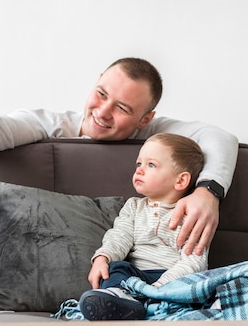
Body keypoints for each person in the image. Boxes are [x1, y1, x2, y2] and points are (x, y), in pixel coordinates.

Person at [0, 52, 239, 256]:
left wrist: (208, 192)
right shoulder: (53, 124)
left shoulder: (153, 135)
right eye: (101, 94)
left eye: (122, 108)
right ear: (97, 80)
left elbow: (219, 137)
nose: (103, 112)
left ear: (145, 119)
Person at [79, 133, 208, 320]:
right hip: (135, 277)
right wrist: (102, 257)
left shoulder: (192, 213)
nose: (139, 170)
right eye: (139, 164)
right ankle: (119, 299)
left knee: (200, 282)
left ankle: (154, 304)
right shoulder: (134, 206)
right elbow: (119, 236)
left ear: (180, 181)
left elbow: (194, 261)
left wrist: (162, 286)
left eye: (151, 165)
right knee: (116, 268)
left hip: (172, 277)